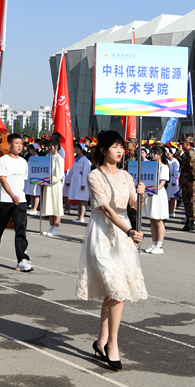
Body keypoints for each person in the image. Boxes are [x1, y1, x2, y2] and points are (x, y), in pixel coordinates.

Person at [77, 130, 146, 371]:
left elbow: (135, 205)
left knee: (114, 291)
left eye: (121, 146)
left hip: (123, 235)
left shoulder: (126, 176)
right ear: (103, 149)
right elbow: (106, 209)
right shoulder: (94, 176)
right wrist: (129, 231)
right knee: (117, 289)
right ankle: (113, 345)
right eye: (115, 146)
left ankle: (101, 341)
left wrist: (141, 194)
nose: (120, 150)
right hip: (102, 234)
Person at [0, 133, 33, 272]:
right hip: (4, 200)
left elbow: (22, 180)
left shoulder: (23, 162)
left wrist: (18, 196)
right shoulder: (2, 160)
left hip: (20, 200)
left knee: (21, 230)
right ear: (9, 144)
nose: (19, 146)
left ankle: (21, 260)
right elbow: (3, 180)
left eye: (21, 143)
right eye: (16, 143)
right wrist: (12, 195)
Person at [144, 143, 170, 254]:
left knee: (159, 219)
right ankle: (154, 243)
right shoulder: (150, 165)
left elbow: (162, 183)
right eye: (152, 153)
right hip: (150, 194)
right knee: (152, 219)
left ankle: (159, 245)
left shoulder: (164, 167)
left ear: (160, 154)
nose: (152, 155)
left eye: (155, 153)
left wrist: (153, 191)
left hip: (158, 194)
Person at [40, 139, 65, 237]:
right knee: (49, 205)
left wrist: (48, 181)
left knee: (56, 205)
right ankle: (51, 227)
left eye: (51, 146)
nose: (49, 148)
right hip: (48, 185)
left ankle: (56, 228)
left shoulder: (59, 159)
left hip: (55, 186)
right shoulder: (49, 158)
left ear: (56, 146)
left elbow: (59, 175)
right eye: (49, 146)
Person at [179, 136, 195, 231]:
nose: (181, 145)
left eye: (183, 143)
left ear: (187, 144)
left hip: (189, 182)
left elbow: (193, 169)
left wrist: (191, 181)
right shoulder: (186, 154)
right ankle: (188, 220)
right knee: (186, 201)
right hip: (185, 181)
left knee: (191, 201)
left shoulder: (191, 154)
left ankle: (191, 221)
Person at [68, 143, 91, 223]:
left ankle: (82, 217)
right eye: (76, 148)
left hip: (81, 181)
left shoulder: (85, 160)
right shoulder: (76, 159)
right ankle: (78, 216)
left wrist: (83, 184)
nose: (76, 150)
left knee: (83, 199)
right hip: (76, 181)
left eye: (77, 148)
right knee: (78, 199)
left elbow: (85, 173)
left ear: (82, 150)